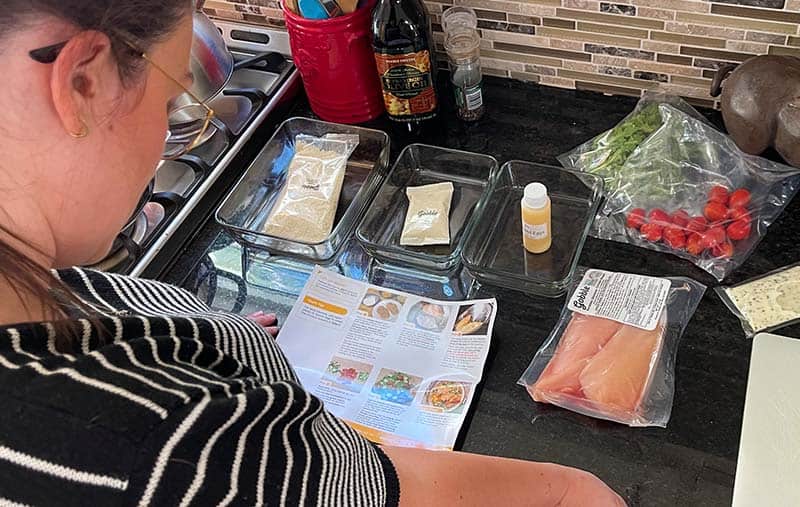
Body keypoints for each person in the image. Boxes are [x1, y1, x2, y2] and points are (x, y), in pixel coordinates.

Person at [0, 1, 626, 505]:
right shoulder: (146, 444)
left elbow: (88, 321)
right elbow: (375, 490)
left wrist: (211, 336)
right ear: (83, 82)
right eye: (170, 105)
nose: (165, 139)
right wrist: (568, 487)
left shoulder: (31, 279)